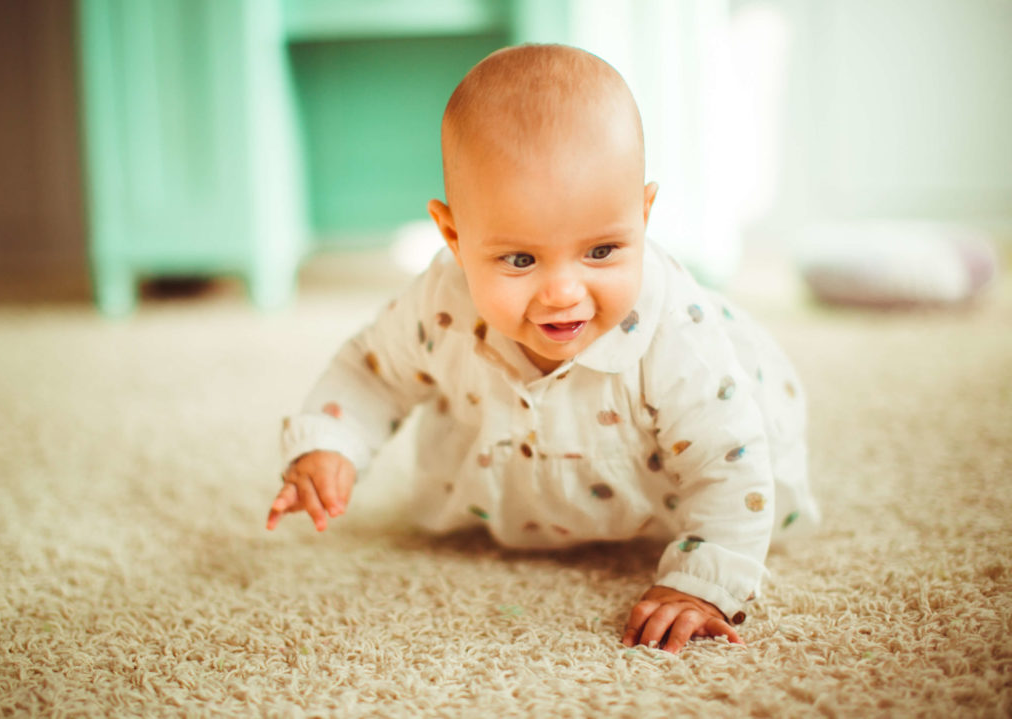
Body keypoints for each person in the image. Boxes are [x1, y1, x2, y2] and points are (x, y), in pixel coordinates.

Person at [266, 44, 819, 654]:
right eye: (520, 259)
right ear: (453, 235)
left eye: (602, 251)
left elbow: (727, 459)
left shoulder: (676, 333)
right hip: (521, 503)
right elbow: (374, 371)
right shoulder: (441, 303)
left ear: (643, 213)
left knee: (731, 462)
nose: (563, 292)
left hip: (688, 473)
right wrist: (331, 444)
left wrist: (703, 584)